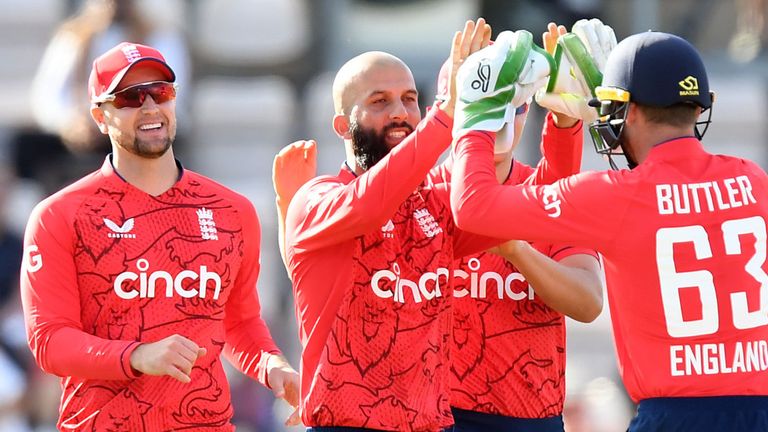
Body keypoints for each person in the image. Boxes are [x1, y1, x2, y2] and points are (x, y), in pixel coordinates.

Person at [451, 31, 768, 431]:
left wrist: (479, 113)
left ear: (630, 111)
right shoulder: (753, 179)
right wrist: (565, 123)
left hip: (674, 417)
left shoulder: (615, 196)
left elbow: (473, 208)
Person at [19, 41, 299, 431]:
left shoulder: (232, 211)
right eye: (131, 97)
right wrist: (136, 355)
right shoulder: (60, 214)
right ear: (100, 116)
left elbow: (238, 323)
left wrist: (274, 367)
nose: (150, 107)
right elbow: (50, 341)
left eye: (161, 92)